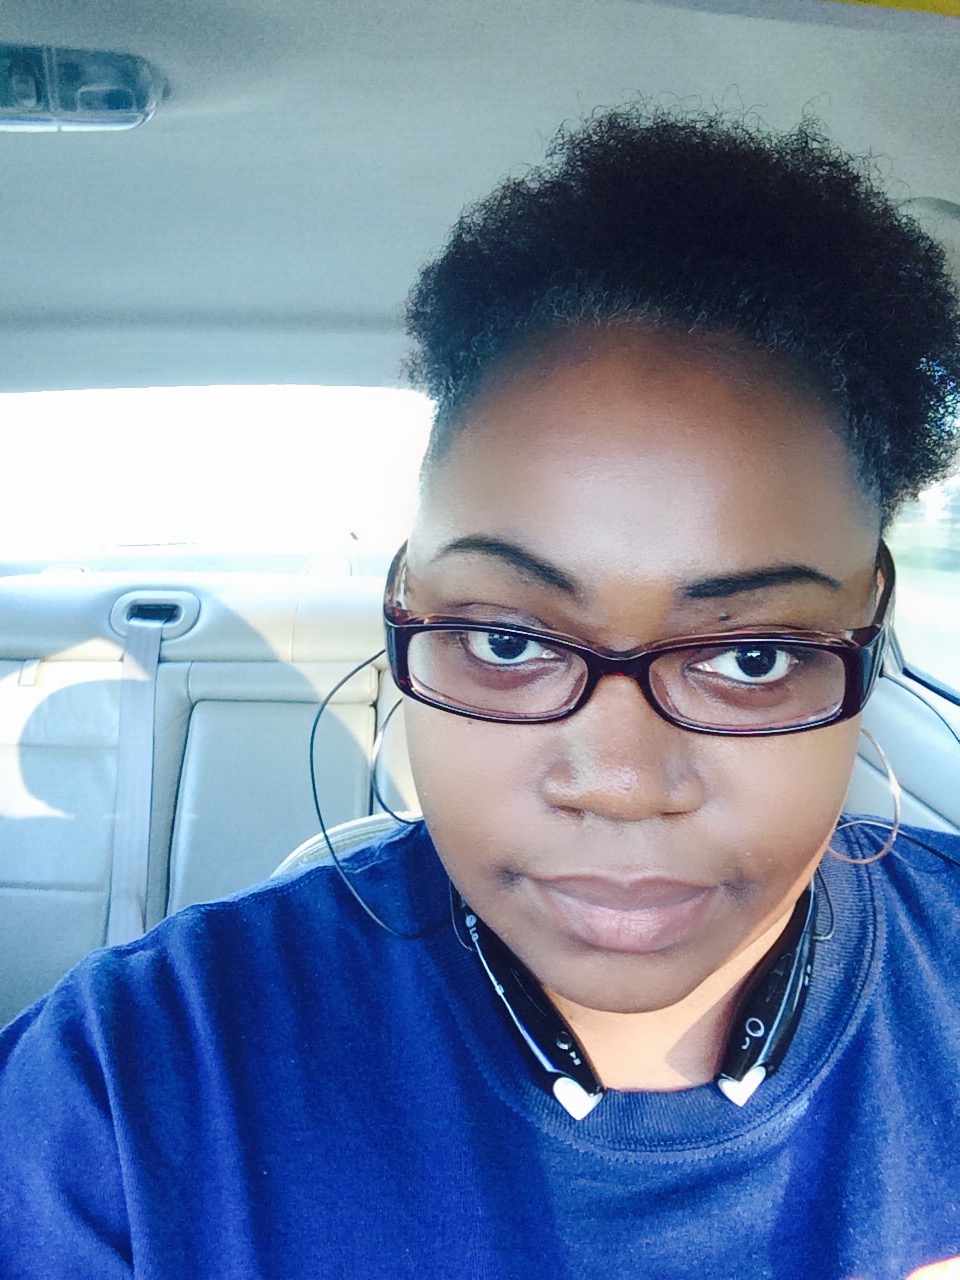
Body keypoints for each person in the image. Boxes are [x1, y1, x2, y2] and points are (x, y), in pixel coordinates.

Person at [2, 108, 960, 1280]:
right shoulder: (132, 1088)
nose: (620, 780)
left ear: (869, 630)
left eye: (752, 655)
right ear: (406, 608)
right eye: (508, 638)